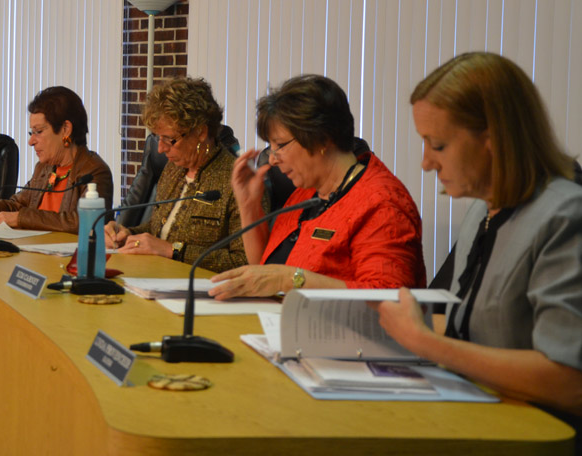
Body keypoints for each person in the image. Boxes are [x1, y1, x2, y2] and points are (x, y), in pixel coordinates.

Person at [368, 53, 582, 428]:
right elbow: (464, 330)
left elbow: (569, 381)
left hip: (535, 433)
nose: (425, 163)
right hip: (469, 414)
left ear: (494, 138)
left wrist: (427, 344)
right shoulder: (481, 213)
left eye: (437, 145)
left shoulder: (565, 217)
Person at [209, 74, 426, 299]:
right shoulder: (306, 192)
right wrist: (249, 205)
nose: (272, 159)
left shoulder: (382, 204)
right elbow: (265, 268)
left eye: (280, 145)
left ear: (322, 138)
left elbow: (389, 298)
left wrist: (290, 279)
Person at [103, 77, 249, 273]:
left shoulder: (236, 181)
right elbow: (158, 231)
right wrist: (128, 234)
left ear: (201, 132)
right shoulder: (173, 169)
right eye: (157, 138)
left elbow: (243, 262)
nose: (161, 148)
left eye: (169, 139)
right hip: (152, 278)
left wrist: (175, 251)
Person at [0, 86, 113, 234]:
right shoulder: (45, 168)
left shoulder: (94, 172)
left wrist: (22, 218)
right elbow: (16, 205)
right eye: (32, 133)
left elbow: (84, 222)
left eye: (39, 132)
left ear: (66, 129)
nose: (31, 141)